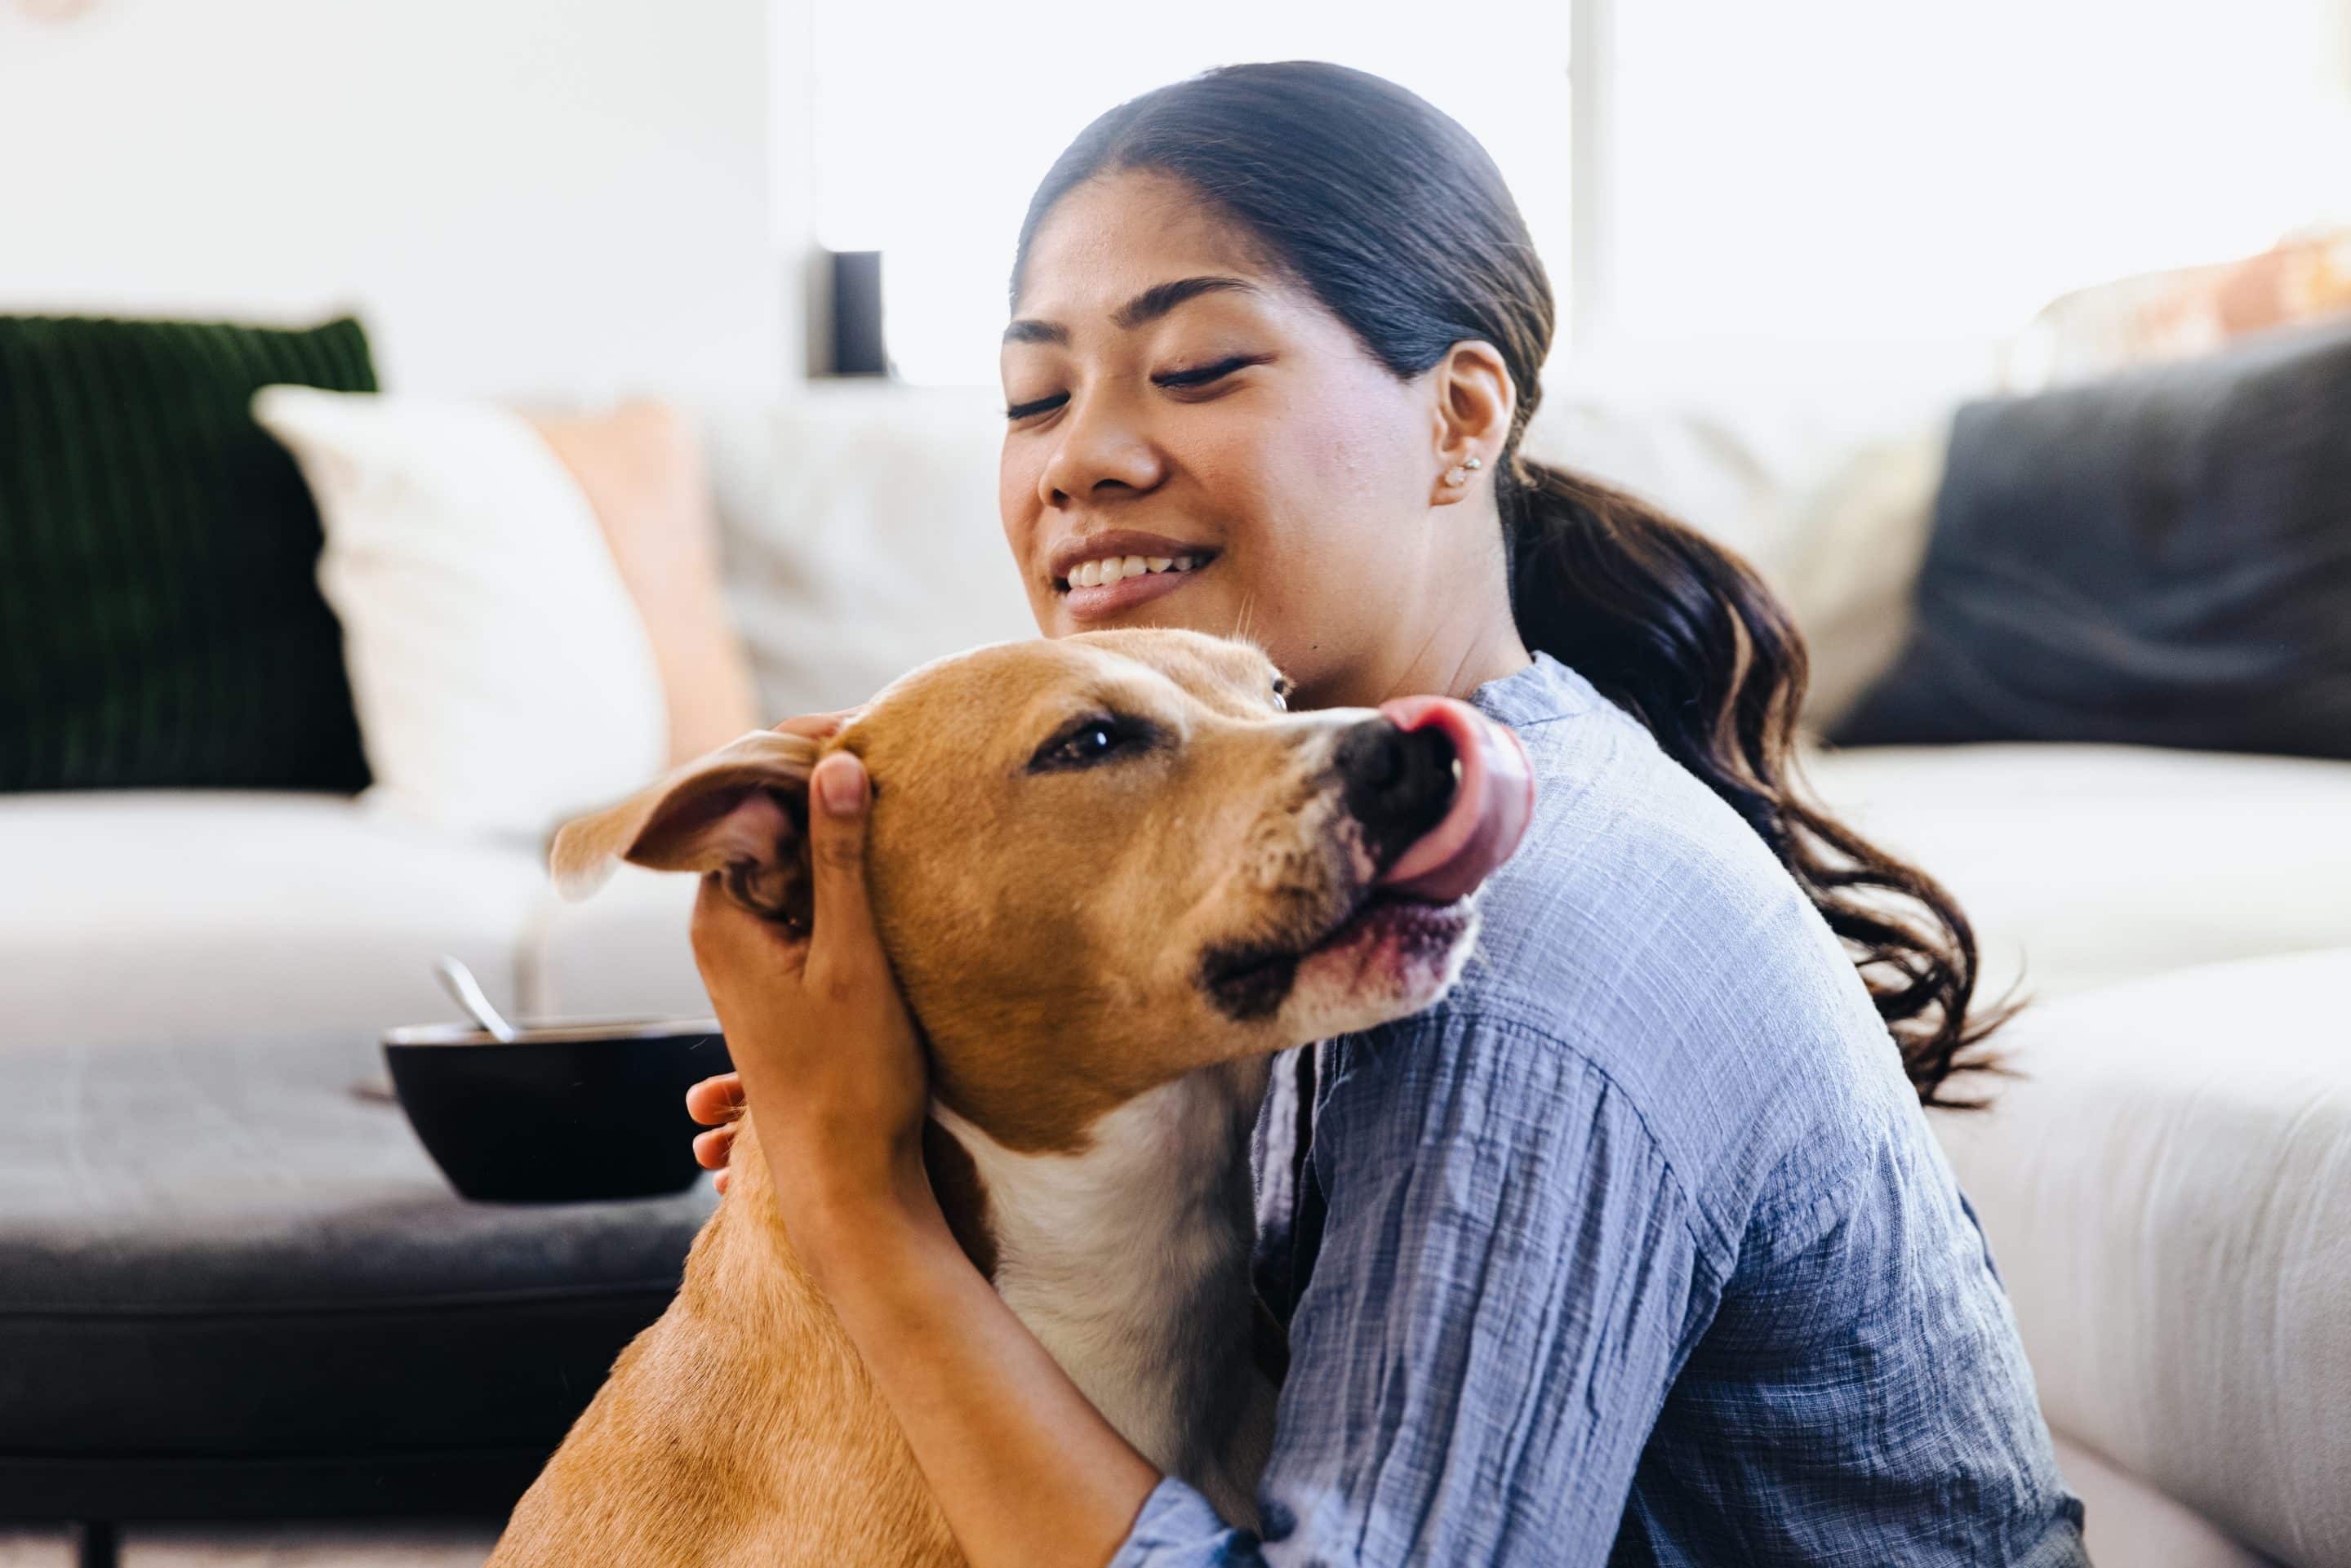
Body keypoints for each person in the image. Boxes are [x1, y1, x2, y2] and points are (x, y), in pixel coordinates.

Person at [681, 61, 2089, 1567]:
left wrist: (858, 1209)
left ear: (1459, 421)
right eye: (1035, 397)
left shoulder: (1514, 942)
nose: (1080, 454)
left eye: (1200, 365)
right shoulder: (1334, 868)